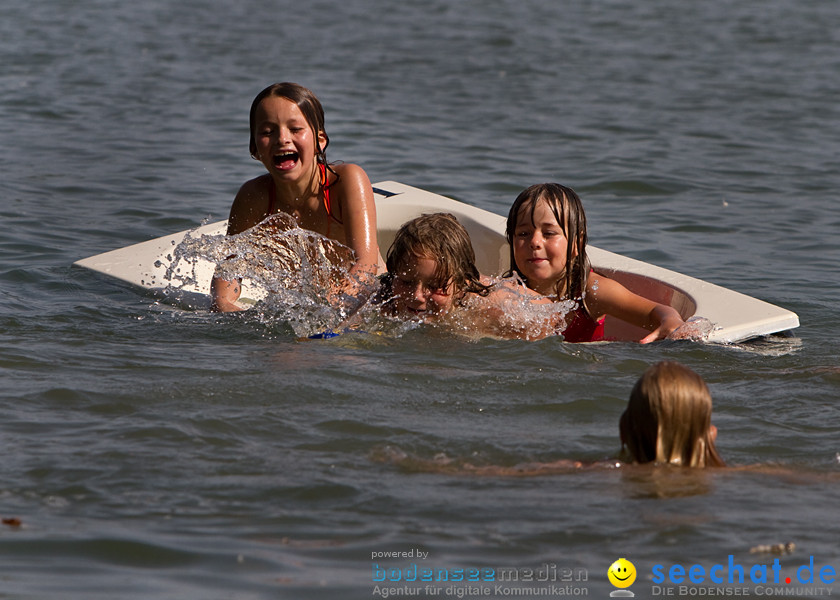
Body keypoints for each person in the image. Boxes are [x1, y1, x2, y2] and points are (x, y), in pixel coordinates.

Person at [374, 360, 725, 475]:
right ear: (709, 433)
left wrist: (413, 463)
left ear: (622, 430)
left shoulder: (595, 472)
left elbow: (501, 475)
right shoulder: (739, 478)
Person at [211, 82, 382, 312]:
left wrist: (327, 311)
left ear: (320, 141)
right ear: (254, 147)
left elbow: (366, 267)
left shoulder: (347, 181)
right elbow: (229, 271)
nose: (282, 138)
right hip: (306, 311)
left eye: (295, 129)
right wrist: (224, 304)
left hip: (368, 303)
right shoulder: (253, 197)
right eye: (268, 132)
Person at [505, 183, 685, 343]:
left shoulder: (591, 291)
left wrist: (671, 320)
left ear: (577, 243)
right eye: (523, 234)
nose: (534, 242)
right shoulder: (506, 293)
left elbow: (654, 311)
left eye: (549, 233)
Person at [377, 213, 560, 340]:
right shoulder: (383, 299)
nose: (416, 296)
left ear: (461, 285)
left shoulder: (487, 308)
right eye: (407, 281)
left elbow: (550, 315)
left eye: (435, 286)